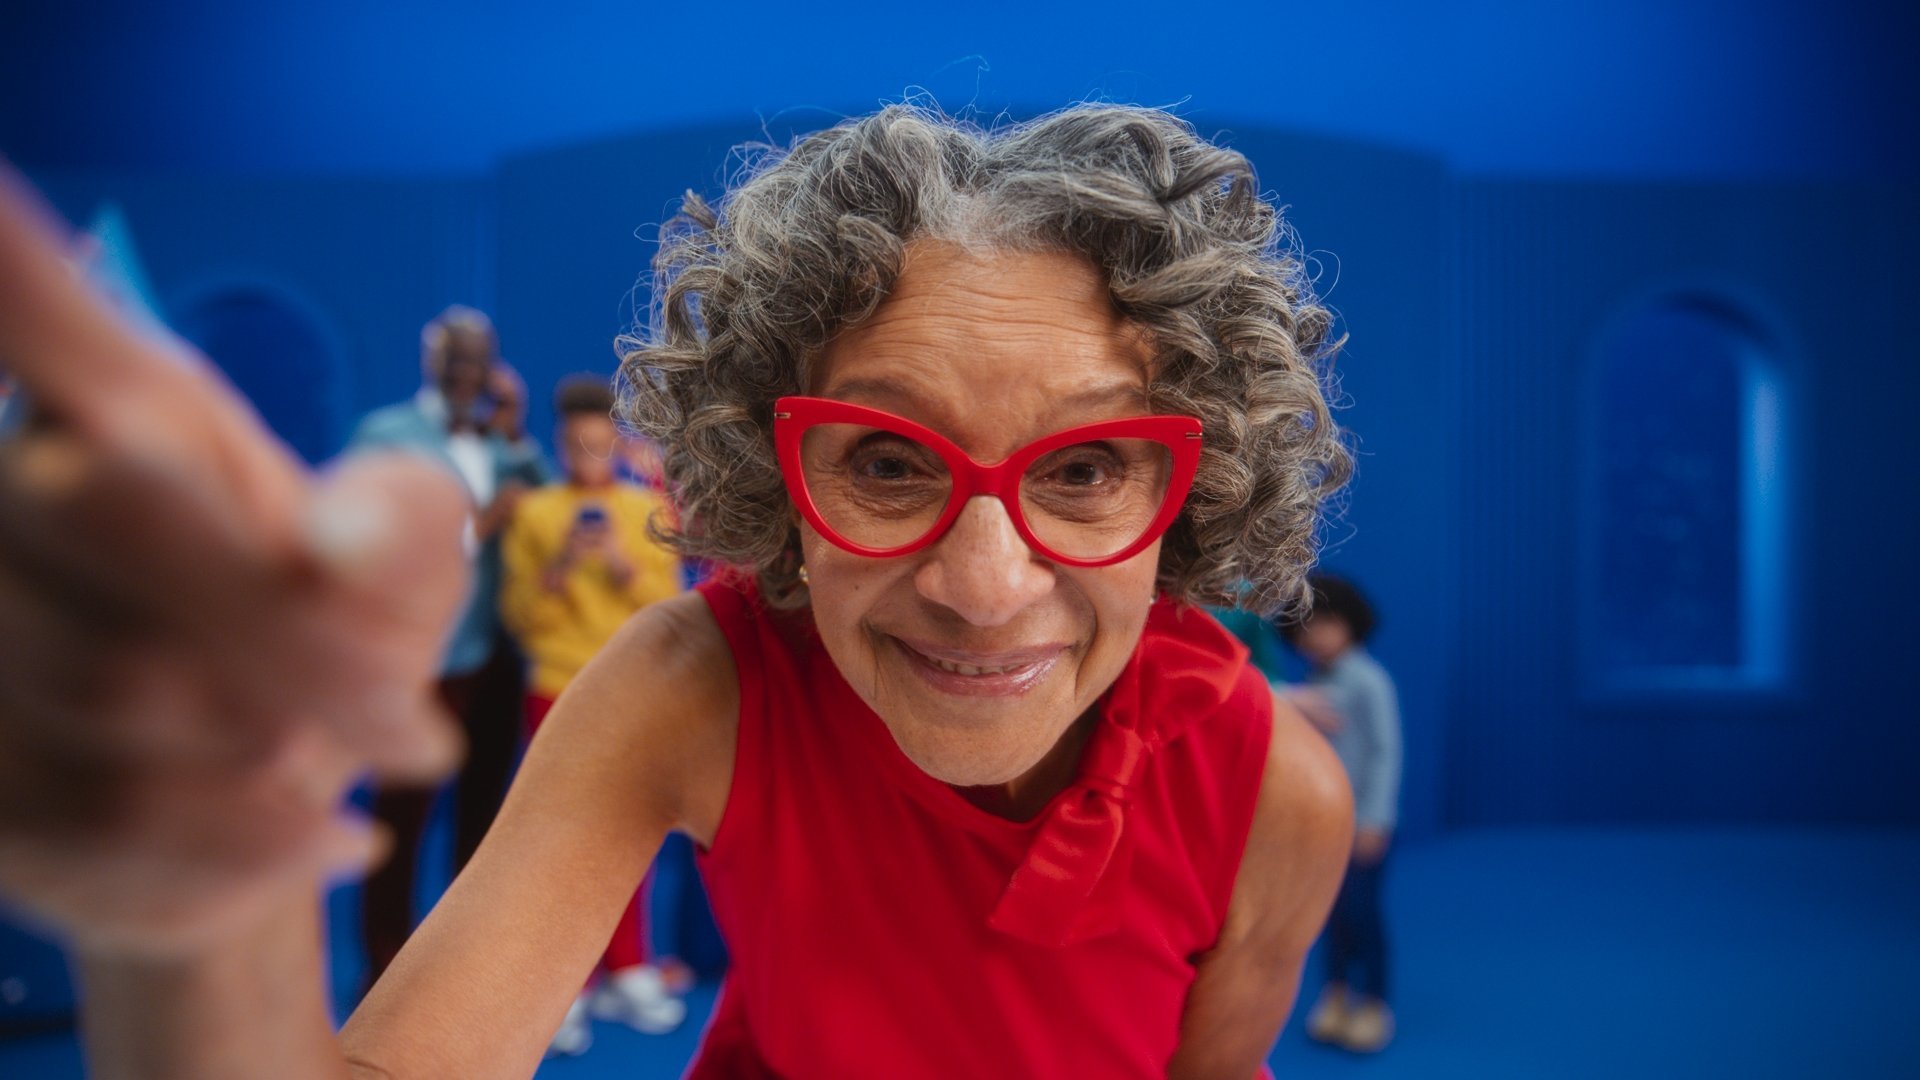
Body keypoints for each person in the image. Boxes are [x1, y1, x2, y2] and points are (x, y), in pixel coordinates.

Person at [0, 103, 1358, 1079]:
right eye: (888, 460)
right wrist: (198, 912)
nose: (985, 586)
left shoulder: (1275, 792)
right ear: (774, 474)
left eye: (1086, 468)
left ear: (1192, 490)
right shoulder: (694, 690)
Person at [343, 305, 550, 987]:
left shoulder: (499, 445)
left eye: (479, 359)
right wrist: (475, 527)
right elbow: (363, 535)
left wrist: (518, 432)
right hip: (420, 662)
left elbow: (553, 515)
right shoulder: (387, 434)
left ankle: (462, 968)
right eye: (456, 358)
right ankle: (384, 969)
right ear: (432, 362)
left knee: (483, 823)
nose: (468, 372)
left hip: (494, 654)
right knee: (399, 826)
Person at [498, 376, 686, 1051]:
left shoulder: (644, 512)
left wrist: (615, 563)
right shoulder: (537, 514)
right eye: (577, 446)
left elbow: (665, 608)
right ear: (560, 442)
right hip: (554, 684)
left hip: (628, 684)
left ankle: (628, 965)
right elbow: (521, 616)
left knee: (632, 830)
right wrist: (558, 569)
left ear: (616, 444)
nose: (589, 457)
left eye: (601, 445)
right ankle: (561, 988)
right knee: (555, 837)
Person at [1279, 574, 1403, 1054]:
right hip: (1324, 823)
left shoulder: (1369, 680)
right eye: (1306, 628)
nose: (1316, 637)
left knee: (1362, 914)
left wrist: (1375, 818)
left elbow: (1385, 752)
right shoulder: (1315, 683)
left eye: (1326, 624)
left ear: (1351, 623)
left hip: (1362, 823)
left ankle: (1373, 1002)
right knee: (1328, 914)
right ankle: (1334, 995)